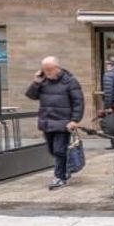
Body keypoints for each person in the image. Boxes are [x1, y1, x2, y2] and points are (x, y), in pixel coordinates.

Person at [25, 56, 84, 190]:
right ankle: (65, 169)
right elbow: (31, 95)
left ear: (57, 68)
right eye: (45, 70)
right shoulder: (42, 81)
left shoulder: (70, 81)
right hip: (46, 121)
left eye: (49, 70)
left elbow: (78, 102)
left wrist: (74, 120)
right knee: (52, 150)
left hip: (63, 122)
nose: (47, 73)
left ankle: (59, 177)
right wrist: (36, 82)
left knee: (59, 150)